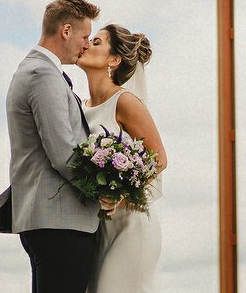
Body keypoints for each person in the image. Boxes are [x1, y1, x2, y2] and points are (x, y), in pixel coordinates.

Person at [4, 0, 104, 293]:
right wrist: (103, 191)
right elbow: (63, 153)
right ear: (66, 31)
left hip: (54, 221)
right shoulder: (42, 74)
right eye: (85, 36)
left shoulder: (39, 71)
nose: (87, 44)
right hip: (60, 222)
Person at [75, 24, 166, 292]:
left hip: (131, 227)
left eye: (97, 42)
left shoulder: (125, 101)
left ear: (113, 60)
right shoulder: (81, 106)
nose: (87, 44)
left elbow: (159, 158)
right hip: (101, 229)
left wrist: (121, 195)